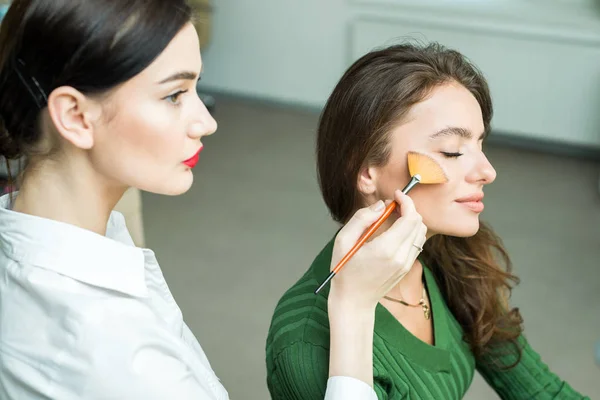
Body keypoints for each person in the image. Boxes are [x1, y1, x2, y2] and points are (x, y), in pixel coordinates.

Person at [0, 1, 425, 399]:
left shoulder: (54, 234)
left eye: (196, 89)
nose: (206, 122)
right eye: (173, 95)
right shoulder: (118, 356)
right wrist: (352, 307)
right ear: (75, 116)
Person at [265, 42, 590, 399]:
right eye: (452, 151)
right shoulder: (305, 346)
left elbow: (540, 390)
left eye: (481, 145)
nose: (487, 171)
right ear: (365, 172)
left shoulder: (453, 252)